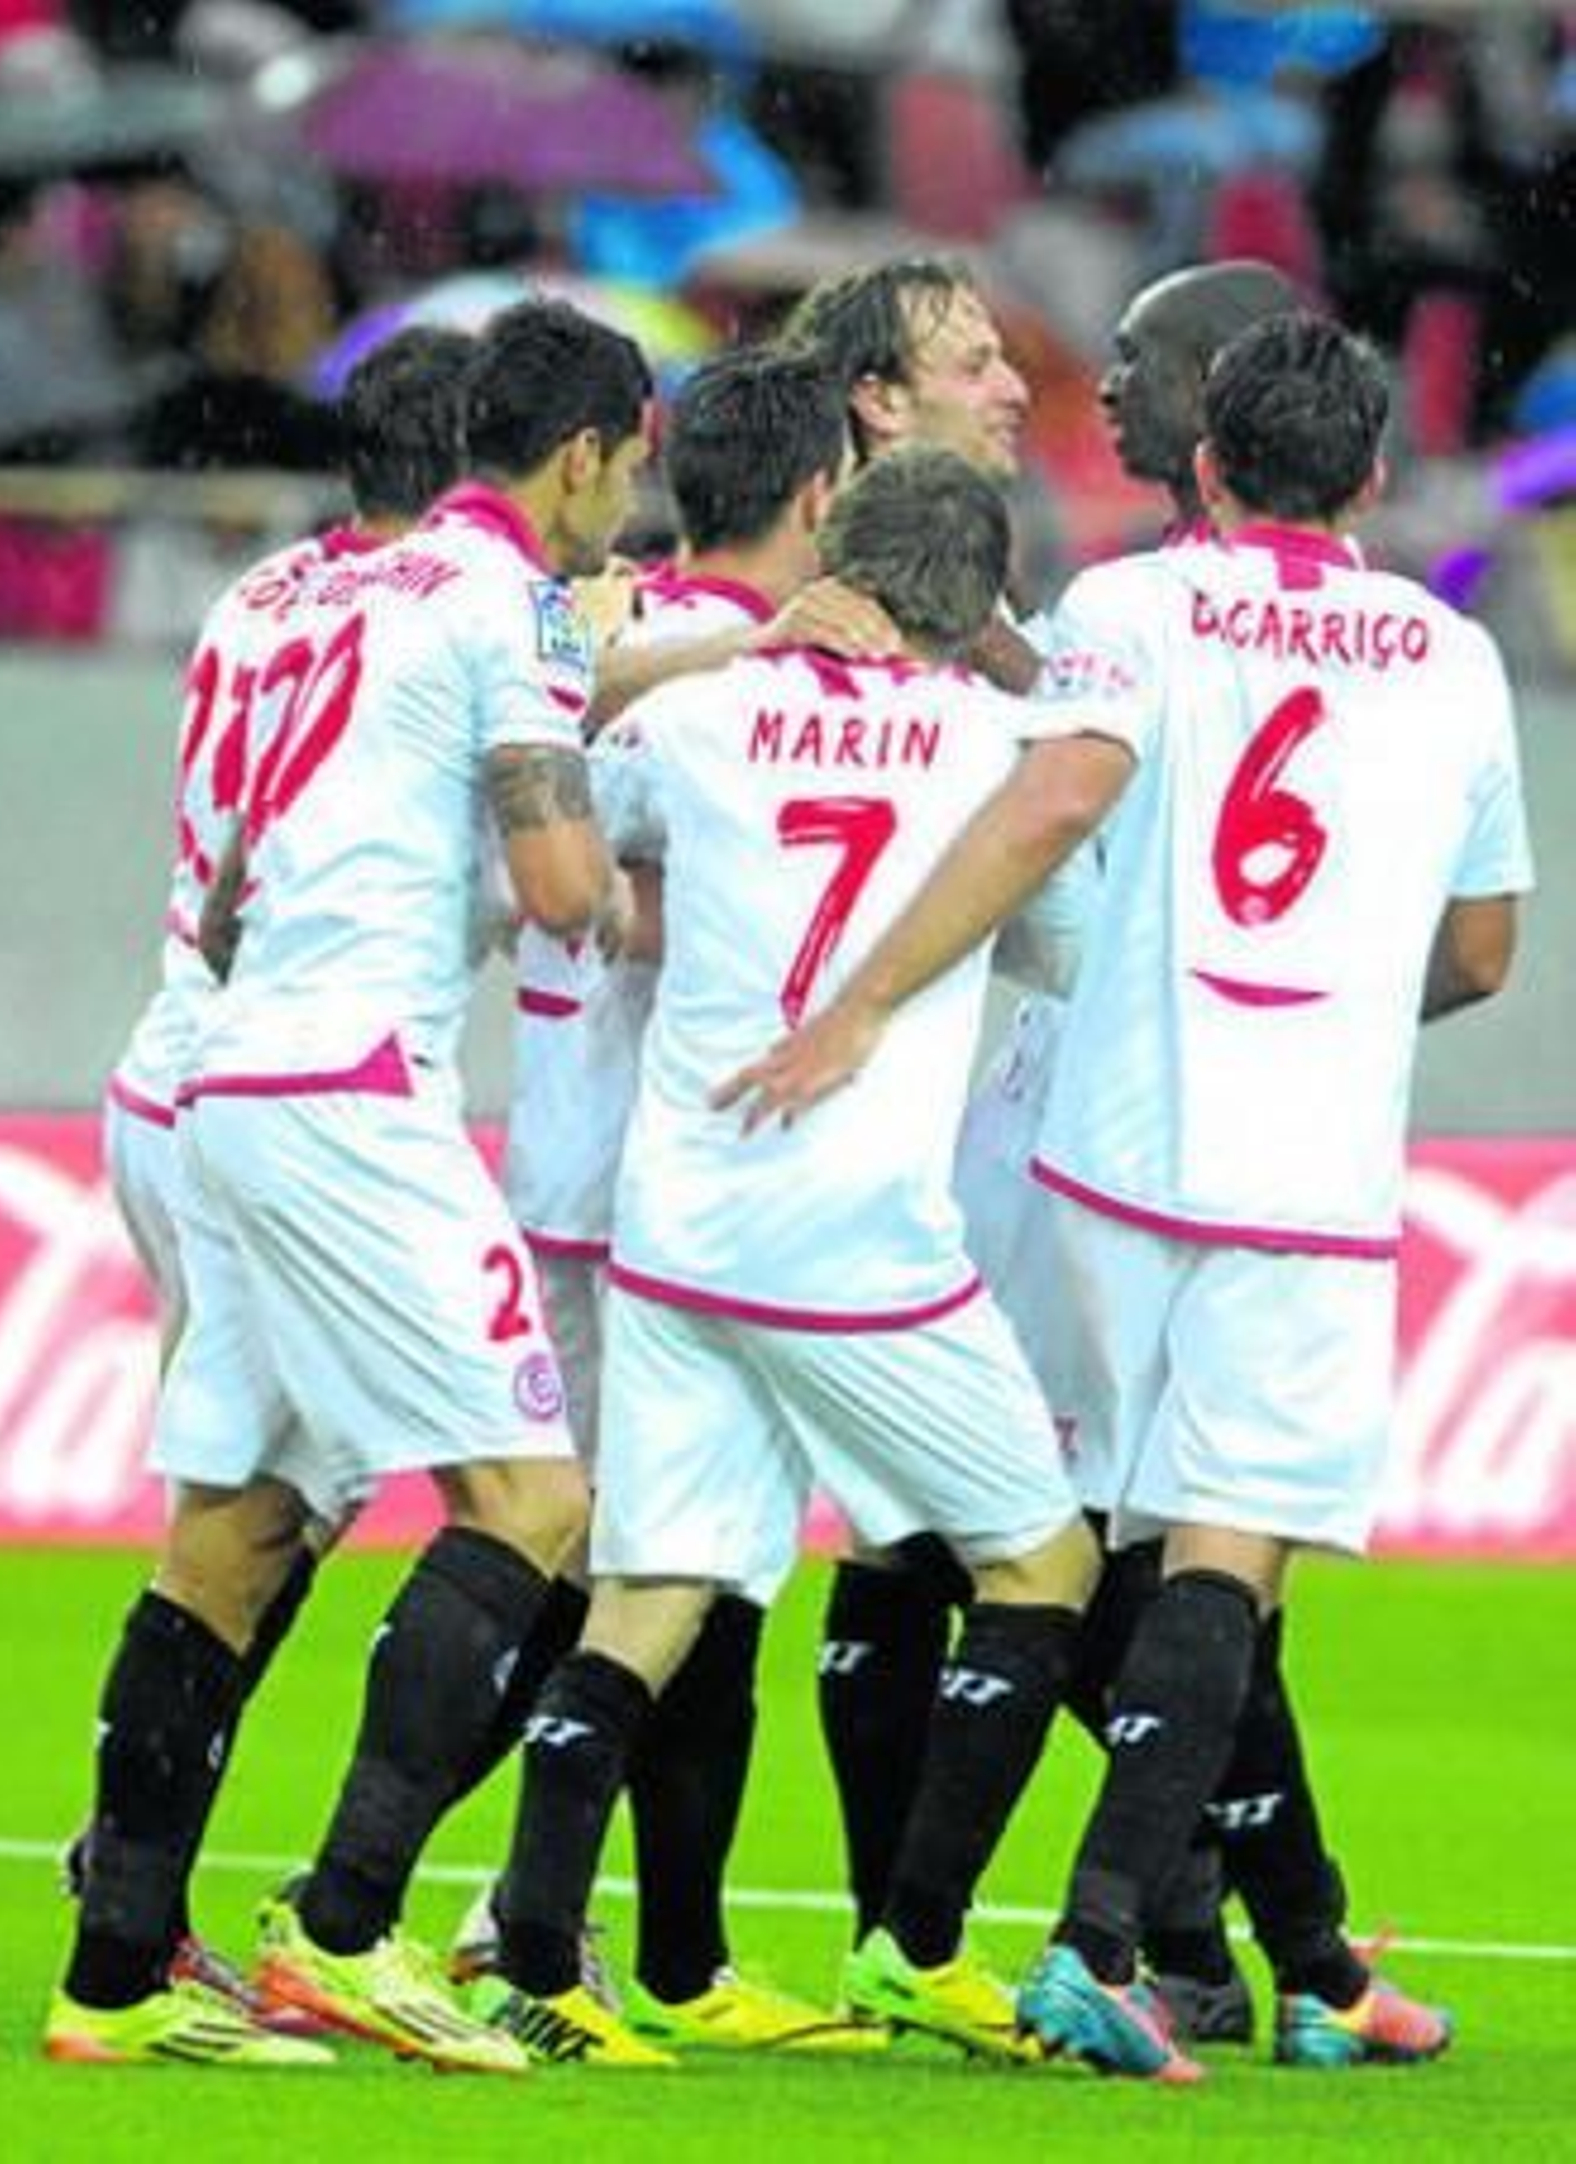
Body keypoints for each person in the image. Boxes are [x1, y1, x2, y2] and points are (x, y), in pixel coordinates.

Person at [719, 313, 1529, 2080]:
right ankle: (1109, 1944)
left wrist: (862, 1000)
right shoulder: (1456, 657)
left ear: (1210, 469)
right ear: (1374, 478)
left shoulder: (1133, 607)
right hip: (1302, 1171)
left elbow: (1051, 808)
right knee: (1226, 1563)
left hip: (1101, 1158)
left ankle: (1286, 1960)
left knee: (1089, 1552)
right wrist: (1332, 996)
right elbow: (1481, 952)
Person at [45, 297, 654, 2074]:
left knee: (235, 1532)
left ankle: (114, 1975)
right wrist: (626, 887)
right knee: (534, 1500)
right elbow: (559, 891)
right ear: (579, 457)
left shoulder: (290, 594)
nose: (629, 501)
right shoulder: (507, 600)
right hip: (353, 1089)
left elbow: (239, 881)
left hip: (217, 1068)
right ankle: (345, 1925)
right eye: (631, 464)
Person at [479, 445, 1102, 2072]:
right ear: (975, 599)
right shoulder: (991, 747)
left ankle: (534, 1954)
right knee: (1043, 1565)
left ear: (835, 552)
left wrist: (691, 687)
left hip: (679, 1224)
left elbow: (542, 786)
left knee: (650, 1592)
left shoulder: (697, 716)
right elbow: (1066, 947)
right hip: (856, 1243)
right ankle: (917, 1943)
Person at [452, 344, 884, 2051]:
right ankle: (453, 1901)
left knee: (632, 1574)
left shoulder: (597, 635)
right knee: (661, 1580)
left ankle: (624, 1939)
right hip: (667, 1182)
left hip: (581, 1166)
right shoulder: (728, 674)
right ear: (820, 495)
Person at [75, 323, 477, 2034]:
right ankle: (134, 1924)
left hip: (173, 1065)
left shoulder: (265, 594)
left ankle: (133, 1893)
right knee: (252, 1526)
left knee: (266, 1516)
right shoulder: (447, 609)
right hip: (279, 1084)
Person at [953, 257, 1301, 2045]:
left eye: (1141, 360)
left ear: (1229, 390)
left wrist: (980, 641)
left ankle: (1194, 1928)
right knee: (1164, 1541)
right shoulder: (1328, 621)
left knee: (1105, 1539)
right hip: (1116, 1109)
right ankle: (1242, 1935)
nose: (1105, 386)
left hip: (1121, 1121)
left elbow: (1084, 792)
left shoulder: (1154, 607)